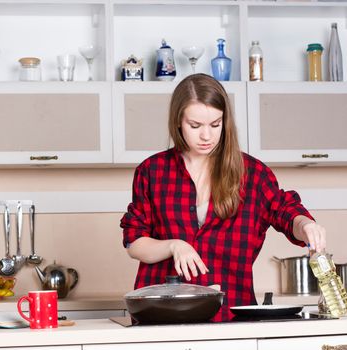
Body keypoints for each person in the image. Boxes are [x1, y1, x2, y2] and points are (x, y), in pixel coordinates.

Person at [120, 73, 326, 320]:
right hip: (164, 316)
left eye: (215, 124)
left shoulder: (252, 173)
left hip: (230, 314)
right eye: (195, 126)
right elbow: (135, 243)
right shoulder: (152, 171)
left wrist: (305, 224)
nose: (206, 136)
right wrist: (174, 245)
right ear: (178, 122)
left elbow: (284, 210)